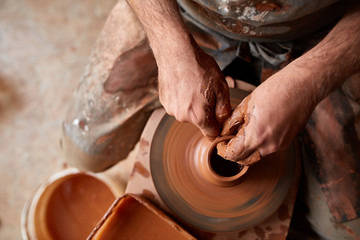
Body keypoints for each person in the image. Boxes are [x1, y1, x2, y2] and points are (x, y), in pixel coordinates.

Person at [62, 0, 360, 239]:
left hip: (324, 35)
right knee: (84, 150)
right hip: (184, 17)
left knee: (345, 231)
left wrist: (311, 81)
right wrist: (170, 47)